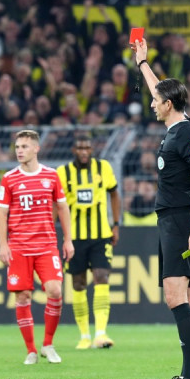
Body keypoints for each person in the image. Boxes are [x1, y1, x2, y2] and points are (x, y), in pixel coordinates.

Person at [133, 38, 190, 379]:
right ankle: (189, 375)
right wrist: (142, 63)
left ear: (168, 105)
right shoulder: (177, 127)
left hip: (181, 221)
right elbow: (159, 89)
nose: (151, 103)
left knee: (174, 295)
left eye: (156, 100)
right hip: (172, 219)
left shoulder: (187, 133)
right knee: (188, 299)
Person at [0, 130, 74, 365]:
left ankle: (48, 344)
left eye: (24, 146)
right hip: (19, 247)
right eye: (17, 147)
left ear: (36, 149)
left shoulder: (51, 175)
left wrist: (68, 239)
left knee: (55, 291)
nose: (19, 151)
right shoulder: (9, 178)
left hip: (46, 245)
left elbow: (63, 208)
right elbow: (2, 213)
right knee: (23, 296)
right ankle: (31, 350)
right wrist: (3, 244)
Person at [56, 135, 121, 350]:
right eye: (80, 148)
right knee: (78, 283)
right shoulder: (63, 172)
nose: (84, 151)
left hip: (101, 234)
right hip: (74, 237)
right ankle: (84, 335)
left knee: (102, 277)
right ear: (73, 150)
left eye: (87, 148)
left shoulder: (103, 168)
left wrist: (116, 224)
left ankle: (101, 333)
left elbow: (114, 194)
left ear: (92, 150)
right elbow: (57, 204)